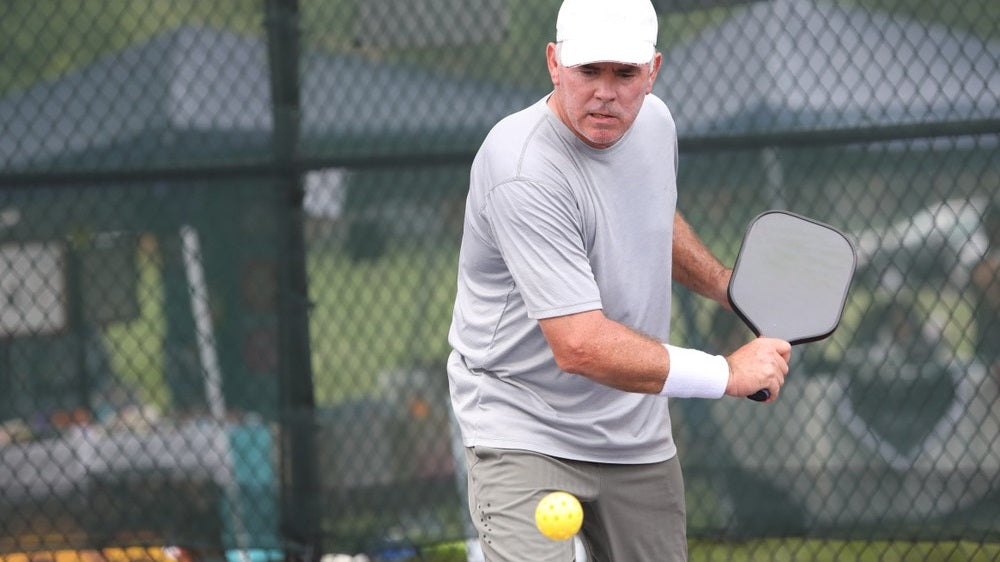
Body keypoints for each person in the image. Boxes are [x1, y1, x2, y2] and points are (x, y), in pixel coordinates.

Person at [446, 0, 791, 560]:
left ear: (652, 72)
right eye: (589, 71)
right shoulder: (521, 169)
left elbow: (651, 212)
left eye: (625, 73)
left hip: (635, 430)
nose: (606, 91)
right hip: (523, 425)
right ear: (555, 64)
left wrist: (725, 285)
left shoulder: (654, 124)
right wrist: (725, 372)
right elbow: (579, 345)